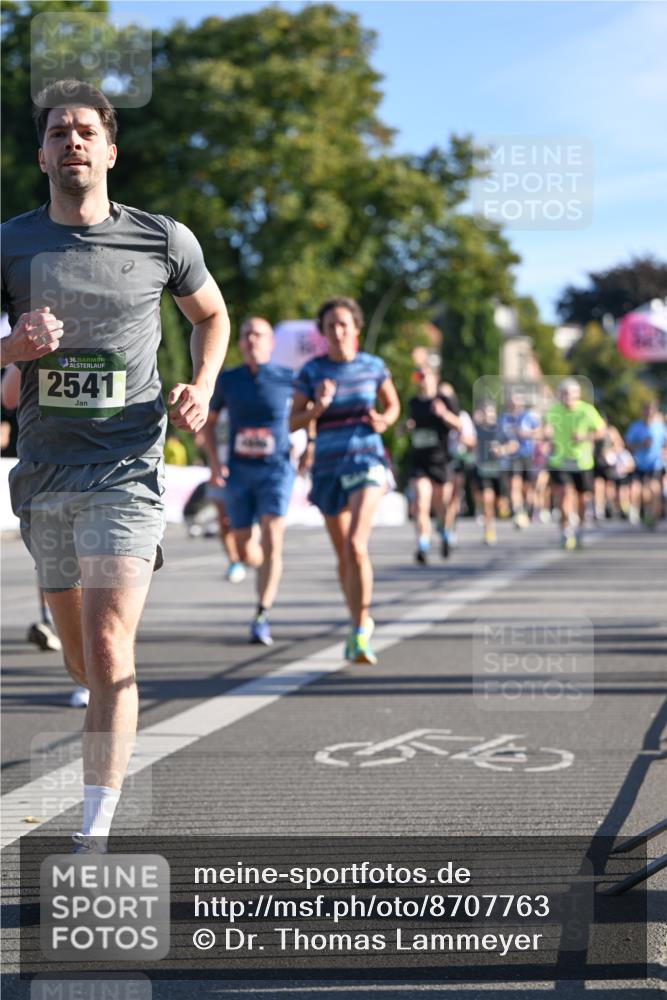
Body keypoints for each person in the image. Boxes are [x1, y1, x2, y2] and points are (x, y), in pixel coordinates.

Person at [0, 80, 230, 852]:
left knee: (106, 647)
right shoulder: (11, 244)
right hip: (45, 473)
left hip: (128, 469)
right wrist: (14, 348)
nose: (73, 141)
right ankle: (97, 695)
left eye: (86, 131)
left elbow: (211, 316)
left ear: (109, 149)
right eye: (59, 131)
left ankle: (93, 828)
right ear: (42, 153)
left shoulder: (161, 240)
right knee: (78, 651)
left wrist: (200, 385)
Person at [291, 297, 400, 665]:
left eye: (343, 324)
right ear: (322, 333)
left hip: (367, 459)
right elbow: (291, 421)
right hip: (328, 467)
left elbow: (393, 406)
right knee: (343, 555)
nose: (337, 331)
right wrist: (316, 409)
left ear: (356, 328)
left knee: (356, 544)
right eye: (330, 326)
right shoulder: (311, 371)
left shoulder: (373, 366)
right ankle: (360, 619)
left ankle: (358, 631)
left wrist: (384, 421)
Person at [202, 317, 295, 645]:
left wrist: (309, 443)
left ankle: (261, 613)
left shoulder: (288, 378)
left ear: (271, 343)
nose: (252, 339)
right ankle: (259, 563)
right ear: (240, 343)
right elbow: (208, 423)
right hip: (239, 472)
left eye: (259, 334)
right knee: (243, 550)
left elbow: (307, 414)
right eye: (246, 334)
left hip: (276, 470)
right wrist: (214, 462)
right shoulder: (229, 380)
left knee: (272, 537)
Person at [406, 366, 460, 563]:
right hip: (420, 461)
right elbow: (406, 425)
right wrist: (405, 427)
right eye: (417, 376)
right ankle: (422, 545)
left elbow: (459, 425)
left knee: (442, 506)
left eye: (424, 376)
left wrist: (443, 414)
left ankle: (446, 533)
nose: (421, 380)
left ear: (434, 378)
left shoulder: (444, 400)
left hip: (440, 461)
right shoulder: (413, 403)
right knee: (421, 503)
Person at [544, 379, 605, 549]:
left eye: (570, 394)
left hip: (582, 462)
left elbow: (601, 431)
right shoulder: (554, 410)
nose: (567, 398)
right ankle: (565, 532)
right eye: (563, 394)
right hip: (560, 460)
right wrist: (545, 432)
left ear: (577, 395)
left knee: (582, 500)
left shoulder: (587, 411)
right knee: (564, 494)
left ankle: (580, 529)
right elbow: (546, 427)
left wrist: (585, 437)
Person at [473, 401, 517, 546]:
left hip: (499, 470)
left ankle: (507, 509)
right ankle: (489, 530)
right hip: (483, 470)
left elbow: (514, 445)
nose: (488, 416)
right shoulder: (477, 430)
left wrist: (502, 450)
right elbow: (468, 442)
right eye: (486, 413)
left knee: (500, 504)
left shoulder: (500, 429)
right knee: (487, 499)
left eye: (491, 413)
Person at [499, 391, 541, 529]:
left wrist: (527, 434)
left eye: (517, 400)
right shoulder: (504, 418)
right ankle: (518, 511)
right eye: (512, 401)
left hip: (527, 454)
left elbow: (541, 431)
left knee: (528, 486)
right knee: (514, 483)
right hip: (512, 456)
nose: (515, 403)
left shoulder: (529, 417)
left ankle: (529, 507)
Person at [626, 401, 666, 529]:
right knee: (640, 491)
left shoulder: (660, 427)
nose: (648, 412)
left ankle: (654, 516)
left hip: (655, 463)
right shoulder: (636, 426)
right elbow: (628, 444)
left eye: (651, 410)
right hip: (640, 463)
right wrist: (641, 445)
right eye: (646, 409)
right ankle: (642, 512)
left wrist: (664, 453)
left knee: (655, 490)